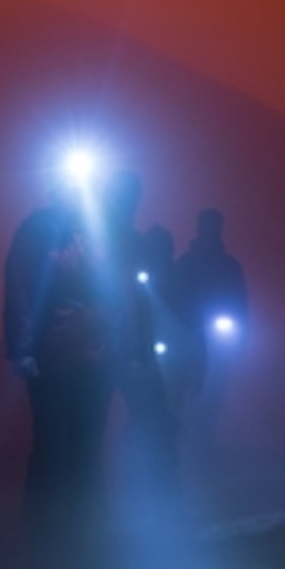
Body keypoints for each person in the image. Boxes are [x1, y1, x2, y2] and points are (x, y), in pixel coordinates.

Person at [3, 178, 114, 546]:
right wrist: (24, 351)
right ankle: (40, 535)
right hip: (53, 357)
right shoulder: (36, 233)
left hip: (93, 356)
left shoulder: (94, 231)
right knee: (52, 444)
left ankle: (80, 534)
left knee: (87, 444)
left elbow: (113, 289)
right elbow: (20, 290)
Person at [102, 172, 180, 490]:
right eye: (131, 196)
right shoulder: (113, 241)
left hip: (120, 346)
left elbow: (143, 297)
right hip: (111, 347)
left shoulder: (124, 241)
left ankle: (158, 488)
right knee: (151, 415)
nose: (134, 203)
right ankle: (159, 489)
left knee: (151, 416)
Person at [164, 208, 250, 469]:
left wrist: (240, 335)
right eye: (208, 225)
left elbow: (239, 302)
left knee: (212, 395)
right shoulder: (186, 265)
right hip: (189, 338)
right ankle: (177, 450)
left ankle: (202, 449)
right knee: (181, 394)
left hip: (215, 340)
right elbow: (173, 299)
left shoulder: (228, 266)